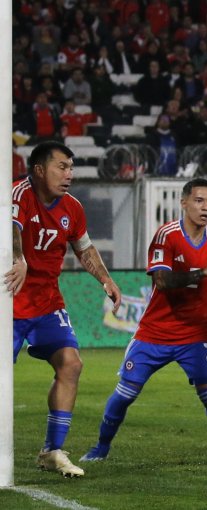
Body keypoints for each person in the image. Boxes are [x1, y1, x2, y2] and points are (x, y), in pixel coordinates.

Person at [80, 178, 207, 462]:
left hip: (195, 335)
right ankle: (101, 447)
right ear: (184, 202)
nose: (205, 207)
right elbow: (162, 282)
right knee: (125, 393)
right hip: (155, 333)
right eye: (199, 201)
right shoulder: (167, 236)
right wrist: (202, 272)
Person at [4, 141, 123, 477]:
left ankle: (52, 451)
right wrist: (20, 259)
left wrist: (106, 280)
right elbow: (12, 229)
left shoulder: (73, 207)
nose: (69, 174)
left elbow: (84, 248)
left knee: (71, 365)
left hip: (46, 302)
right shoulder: (18, 195)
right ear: (39, 170)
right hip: (9, 299)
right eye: (61, 166)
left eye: (71, 167)